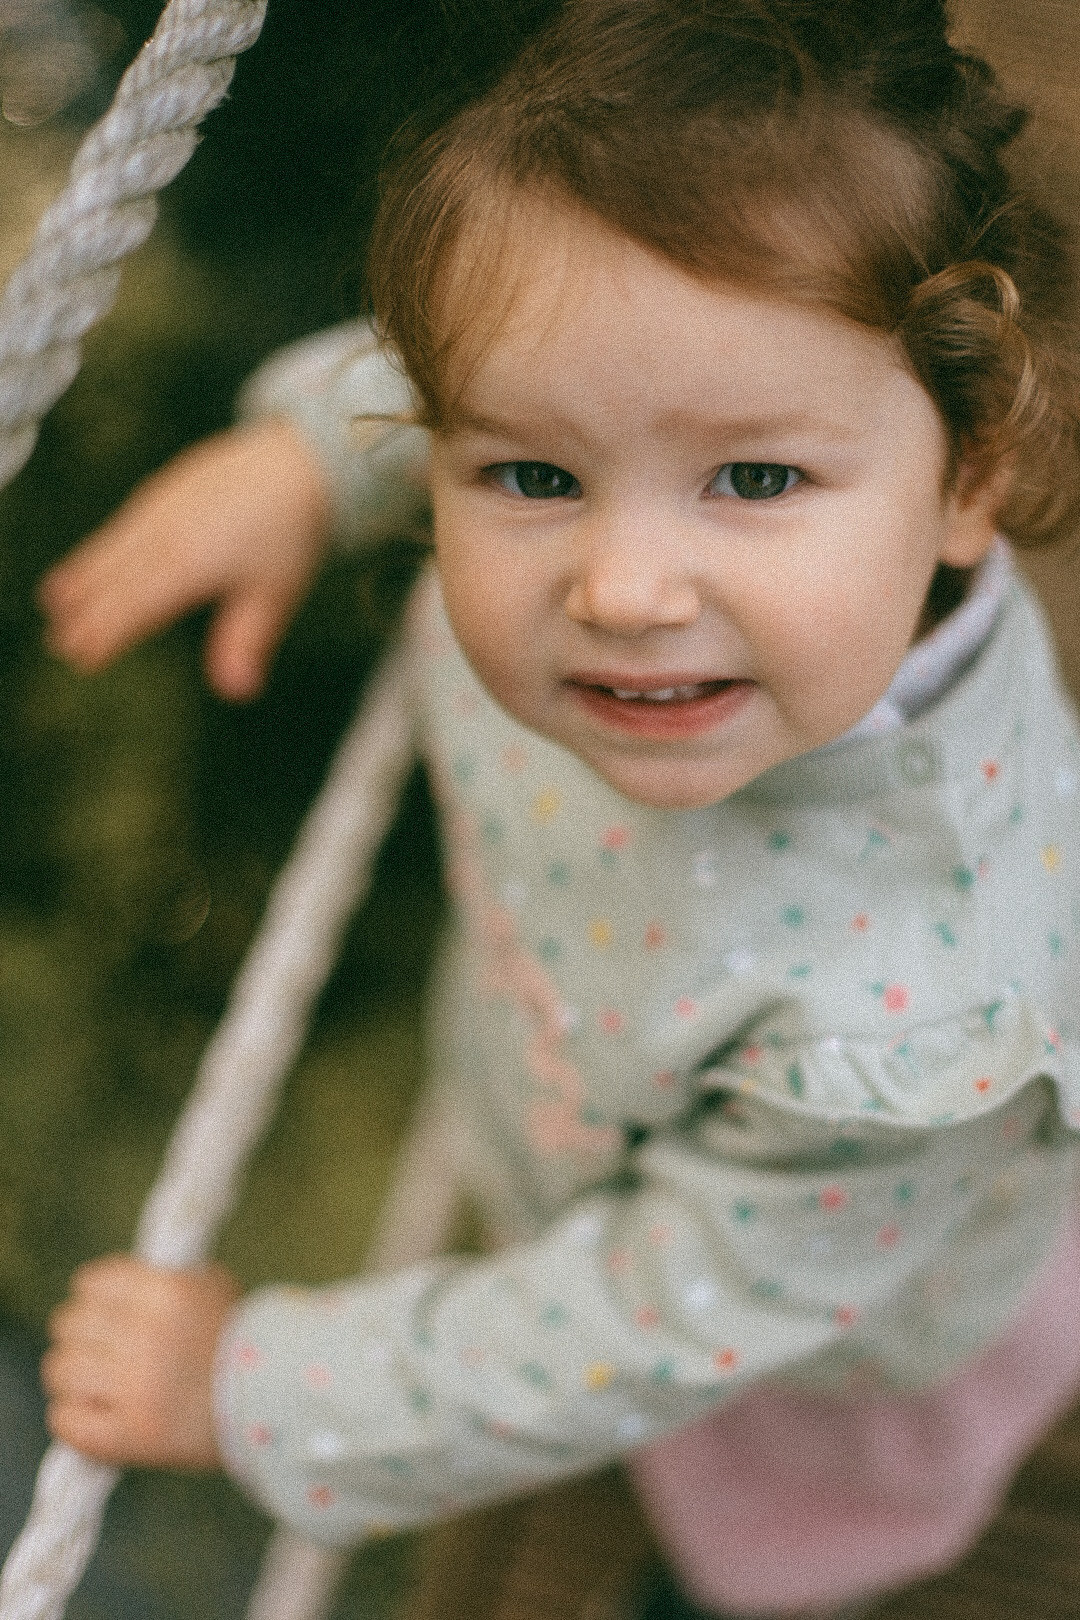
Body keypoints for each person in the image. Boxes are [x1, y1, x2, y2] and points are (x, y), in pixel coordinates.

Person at [33, 2, 1080, 1614]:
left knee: (769, 1507)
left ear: (968, 477)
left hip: (817, 1313)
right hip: (605, 1065)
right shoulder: (674, 476)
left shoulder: (909, 1022)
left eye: (754, 482)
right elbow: (522, 350)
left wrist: (259, 1386)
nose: (624, 589)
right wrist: (315, 458)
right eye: (529, 479)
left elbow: (657, 1321)